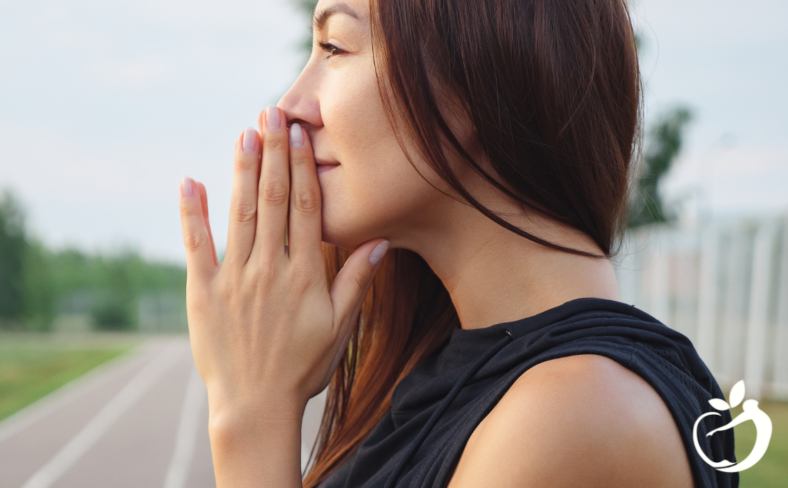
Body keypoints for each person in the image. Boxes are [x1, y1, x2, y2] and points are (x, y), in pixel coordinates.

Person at [176, 0, 737, 486]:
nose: (291, 107)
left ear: (477, 75)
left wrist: (249, 418)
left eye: (334, 48)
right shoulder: (454, 366)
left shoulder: (576, 416)